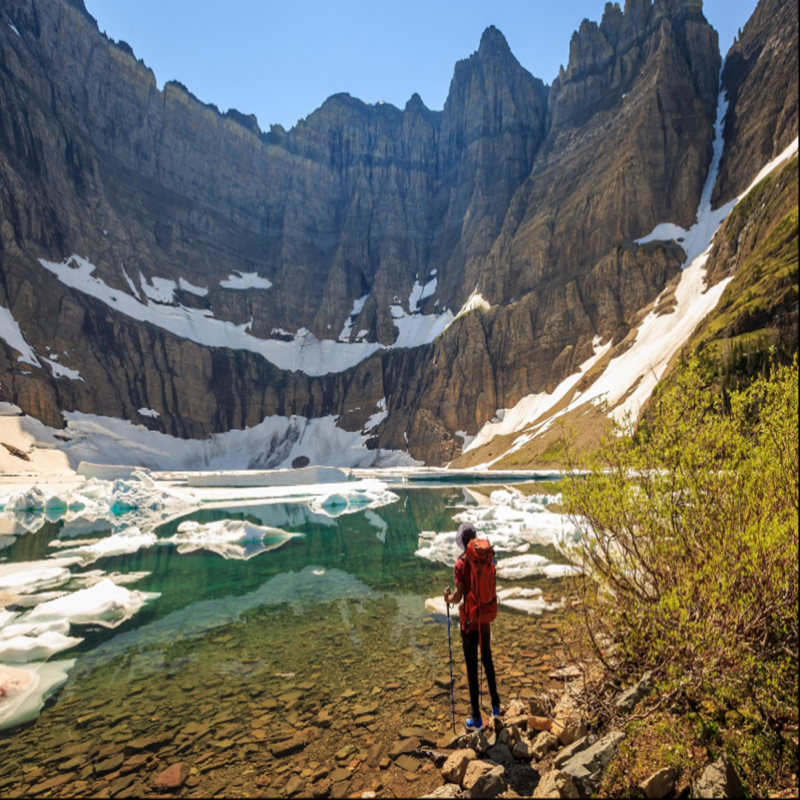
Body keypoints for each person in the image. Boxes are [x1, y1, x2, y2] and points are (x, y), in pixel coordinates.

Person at [444, 521, 501, 731]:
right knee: (488, 660)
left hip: (469, 621)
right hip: (485, 617)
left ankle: (476, 718)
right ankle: (496, 706)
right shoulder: (487, 559)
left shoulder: (460, 564)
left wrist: (448, 598)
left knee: (471, 667)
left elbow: (458, 595)